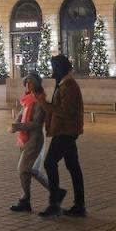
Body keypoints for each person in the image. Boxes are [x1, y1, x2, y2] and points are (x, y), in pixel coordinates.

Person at [39, 54, 85, 218]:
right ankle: (79, 205)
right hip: (65, 130)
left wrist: (44, 103)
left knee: (50, 162)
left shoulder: (69, 86)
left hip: (66, 131)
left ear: (60, 68)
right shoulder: (63, 84)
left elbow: (64, 112)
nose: (52, 71)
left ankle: (55, 201)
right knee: (73, 167)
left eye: (54, 67)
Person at [8, 73, 49, 212]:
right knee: (29, 171)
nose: (28, 85)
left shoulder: (39, 101)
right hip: (23, 138)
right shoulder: (27, 100)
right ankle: (27, 200)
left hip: (34, 139)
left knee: (23, 169)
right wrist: (16, 123)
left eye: (30, 82)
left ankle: (27, 198)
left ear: (37, 84)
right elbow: (21, 116)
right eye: (26, 83)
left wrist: (17, 127)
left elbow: (37, 123)